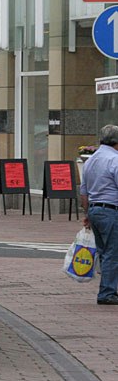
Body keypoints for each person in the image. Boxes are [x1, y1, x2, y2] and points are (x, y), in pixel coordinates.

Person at [80, 124, 118, 306]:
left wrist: (87, 213)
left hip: (95, 209)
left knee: (104, 252)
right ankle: (107, 292)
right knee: (112, 252)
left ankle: (109, 288)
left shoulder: (90, 160)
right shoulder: (114, 160)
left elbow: (83, 191)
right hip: (111, 210)